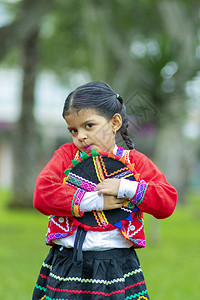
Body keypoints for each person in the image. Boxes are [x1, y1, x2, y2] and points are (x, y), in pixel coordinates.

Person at [32, 81, 177, 300]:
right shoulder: (65, 156)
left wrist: (126, 187)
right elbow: (42, 195)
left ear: (115, 122)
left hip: (117, 265)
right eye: (73, 130)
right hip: (67, 263)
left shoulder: (135, 163)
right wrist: (96, 201)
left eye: (88, 126)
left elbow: (166, 202)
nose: (80, 136)